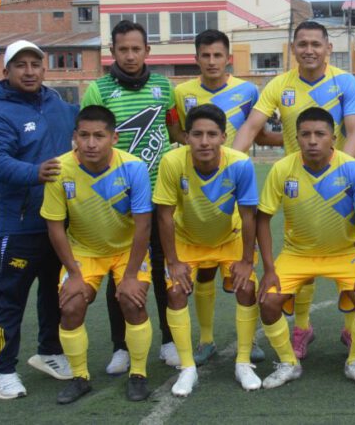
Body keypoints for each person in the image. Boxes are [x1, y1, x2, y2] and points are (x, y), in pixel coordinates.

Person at [232, 20, 355, 360]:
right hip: (296, 179)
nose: (309, 50)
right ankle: (302, 328)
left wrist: (344, 172)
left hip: (338, 182)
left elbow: (354, 130)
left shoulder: (345, 82)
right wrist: (229, 163)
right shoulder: (279, 84)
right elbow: (252, 126)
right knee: (302, 247)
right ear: (293, 48)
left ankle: (351, 328)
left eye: (315, 44)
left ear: (328, 48)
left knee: (342, 244)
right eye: (302, 44)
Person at [0, 39, 77, 399]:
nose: (29, 71)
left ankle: (50, 351)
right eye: (21, 65)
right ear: (6, 71)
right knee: (10, 296)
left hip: (59, 223)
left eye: (35, 64)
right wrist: (35, 172)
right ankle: (2, 368)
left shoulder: (58, 105)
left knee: (55, 292)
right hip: (19, 224)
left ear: (44, 68)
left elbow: (92, 128)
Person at [171, 29, 278, 366]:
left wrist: (295, 143)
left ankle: (250, 339)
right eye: (205, 55)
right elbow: (178, 132)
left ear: (228, 58)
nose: (212, 61)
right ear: (196, 58)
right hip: (198, 188)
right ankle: (206, 340)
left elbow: (260, 133)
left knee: (242, 274)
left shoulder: (247, 91)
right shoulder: (182, 93)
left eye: (218, 55)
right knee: (203, 272)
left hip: (235, 186)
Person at [255, 107, 355, 389]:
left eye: (320, 134)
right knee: (268, 301)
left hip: (345, 252)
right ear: (296, 138)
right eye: (306, 134)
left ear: (333, 138)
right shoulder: (282, 169)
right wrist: (269, 269)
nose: (312, 140)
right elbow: (263, 219)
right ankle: (288, 363)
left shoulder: (351, 168)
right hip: (297, 253)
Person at [82, 20, 181, 373]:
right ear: (112, 52)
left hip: (160, 196)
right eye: (122, 49)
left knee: (163, 271)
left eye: (136, 49)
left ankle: (169, 341)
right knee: (120, 274)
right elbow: (91, 141)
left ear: (147, 51)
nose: (129, 55)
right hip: (118, 200)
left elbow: (174, 132)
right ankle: (121, 346)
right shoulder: (98, 90)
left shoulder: (164, 87)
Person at [41, 105, 154, 404]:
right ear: (75, 137)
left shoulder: (134, 168)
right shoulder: (59, 169)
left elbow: (143, 225)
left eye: (99, 136)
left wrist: (131, 275)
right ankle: (80, 378)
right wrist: (74, 274)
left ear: (113, 138)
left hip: (126, 250)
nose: (91, 143)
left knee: (132, 301)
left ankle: (138, 374)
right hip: (84, 251)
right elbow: (55, 227)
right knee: (71, 306)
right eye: (84, 135)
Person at [154, 104, 262, 396]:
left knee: (246, 288)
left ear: (223, 137)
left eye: (212, 134)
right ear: (186, 137)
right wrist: (173, 262)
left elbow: (249, 215)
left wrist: (247, 260)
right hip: (187, 240)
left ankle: (243, 362)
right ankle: (188, 368)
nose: (204, 141)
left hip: (229, 238)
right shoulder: (172, 162)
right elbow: (164, 215)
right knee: (175, 291)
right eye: (197, 134)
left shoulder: (240, 164)